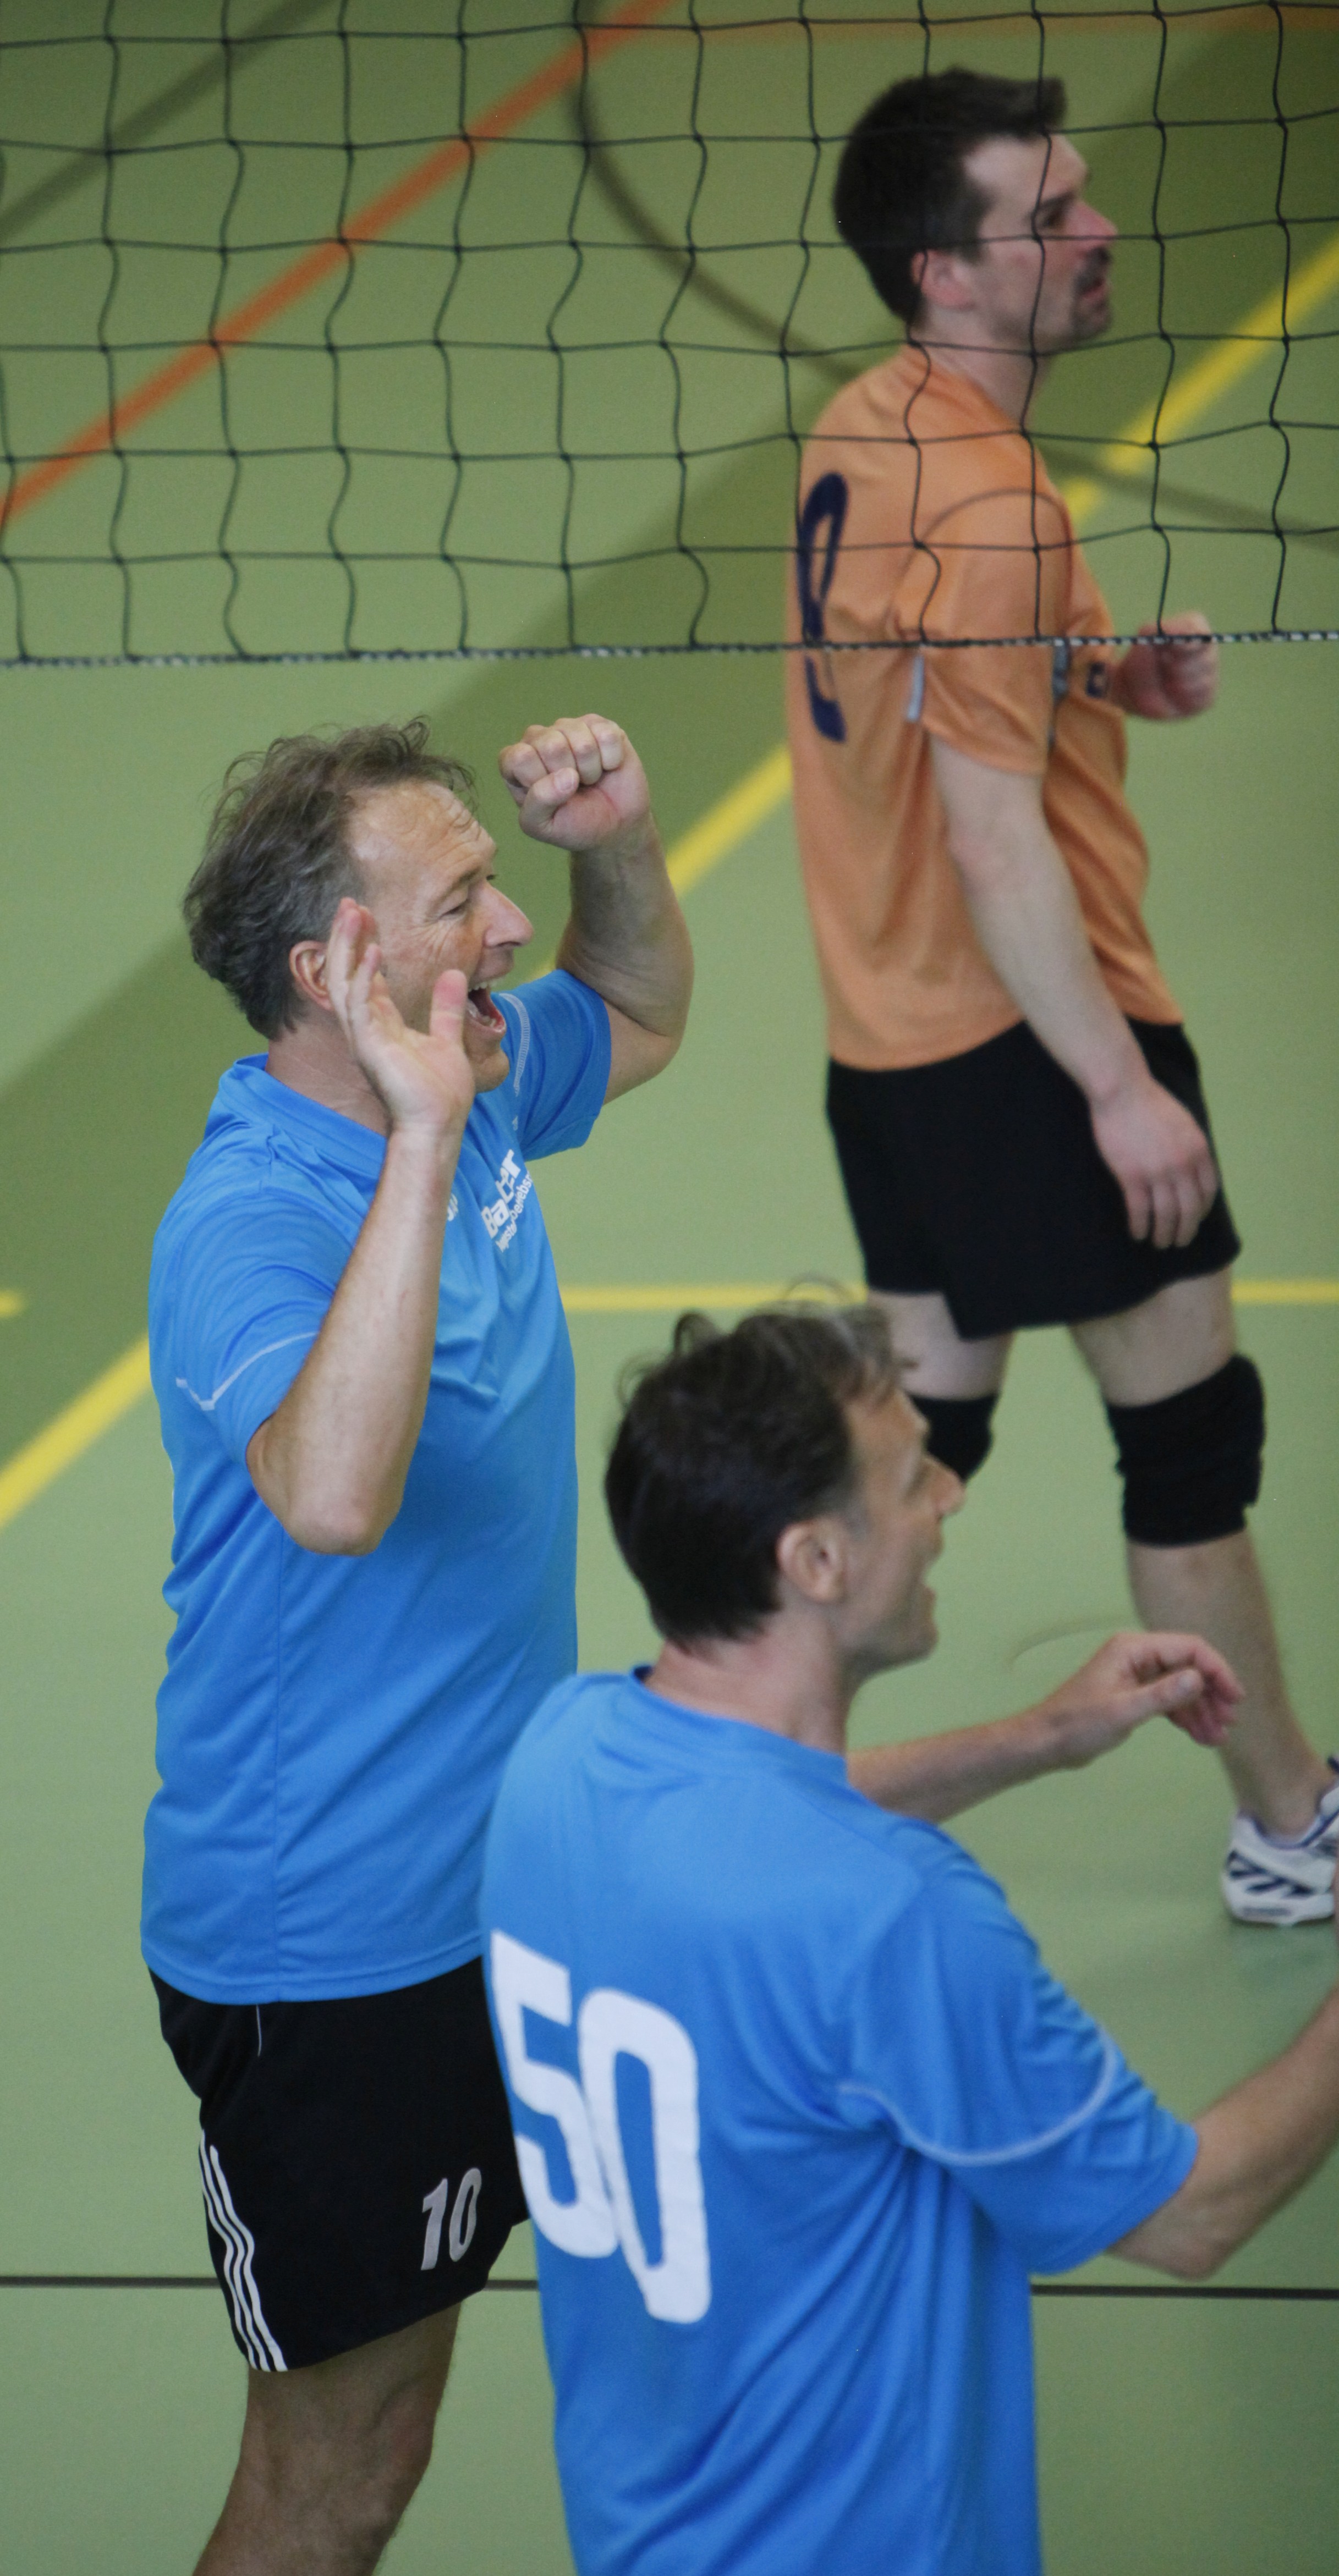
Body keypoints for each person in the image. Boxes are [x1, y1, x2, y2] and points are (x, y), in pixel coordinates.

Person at [481, 1303, 1339, 2576]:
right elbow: (1190, 2211)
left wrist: (1037, 1736)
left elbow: (754, 1814)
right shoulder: (896, 1915)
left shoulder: (558, 1755)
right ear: (816, 1559)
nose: (949, 1495)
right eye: (911, 1477)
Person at [783, 67, 1335, 1924]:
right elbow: (992, 829)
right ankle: (1293, 1827)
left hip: (888, 1040)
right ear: (943, 273)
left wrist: (1104, 675)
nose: (1098, 233)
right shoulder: (995, 503)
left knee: (909, 1454)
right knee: (1188, 1445)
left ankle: (728, 1780)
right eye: (1048, 219)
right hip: (1031, 1029)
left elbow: (933, 663)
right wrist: (1116, 1086)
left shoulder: (871, 424)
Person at [144, 711, 691, 2575]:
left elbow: (640, 1011)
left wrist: (615, 842)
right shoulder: (249, 1216)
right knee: (342, 2477)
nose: (509, 928)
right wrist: (430, 1136)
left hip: (513, 1884)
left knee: (449, 2415)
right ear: (335, 972)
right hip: (333, 1942)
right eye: (464, 900)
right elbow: (330, 1491)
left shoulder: (471, 1064)